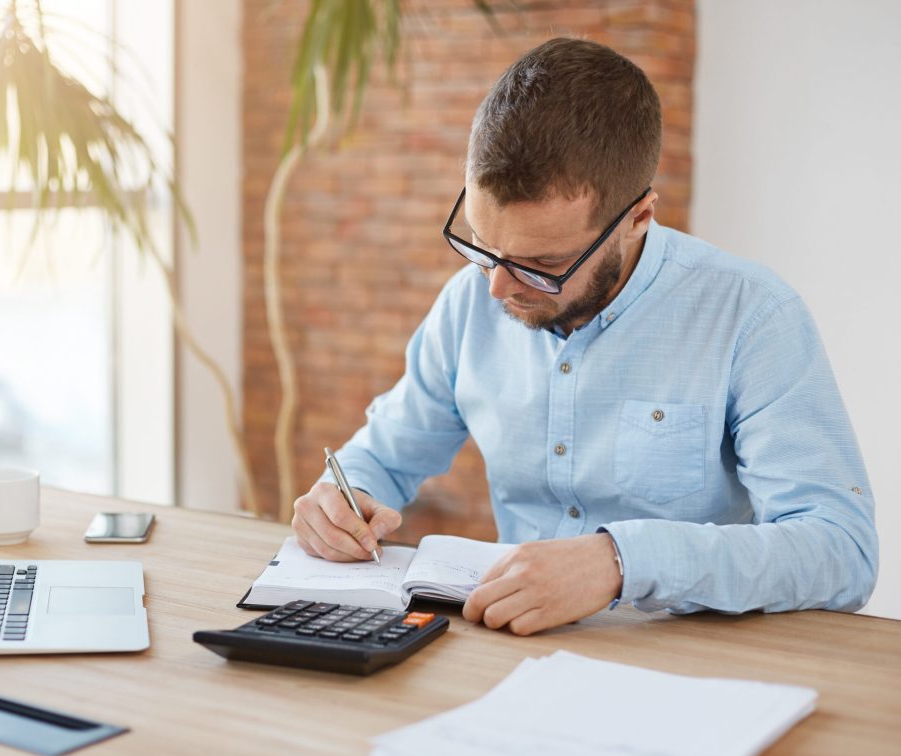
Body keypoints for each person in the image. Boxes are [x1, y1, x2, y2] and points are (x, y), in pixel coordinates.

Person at [290, 37, 878, 635]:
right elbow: (384, 454)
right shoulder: (471, 302)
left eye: (540, 264)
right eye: (483, 246)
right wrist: (342, 498)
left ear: (638, 218)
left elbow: (841, 551)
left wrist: (621, 562)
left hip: (689, 664)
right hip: (509, 648)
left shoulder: (751, 315)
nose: (497, 288)